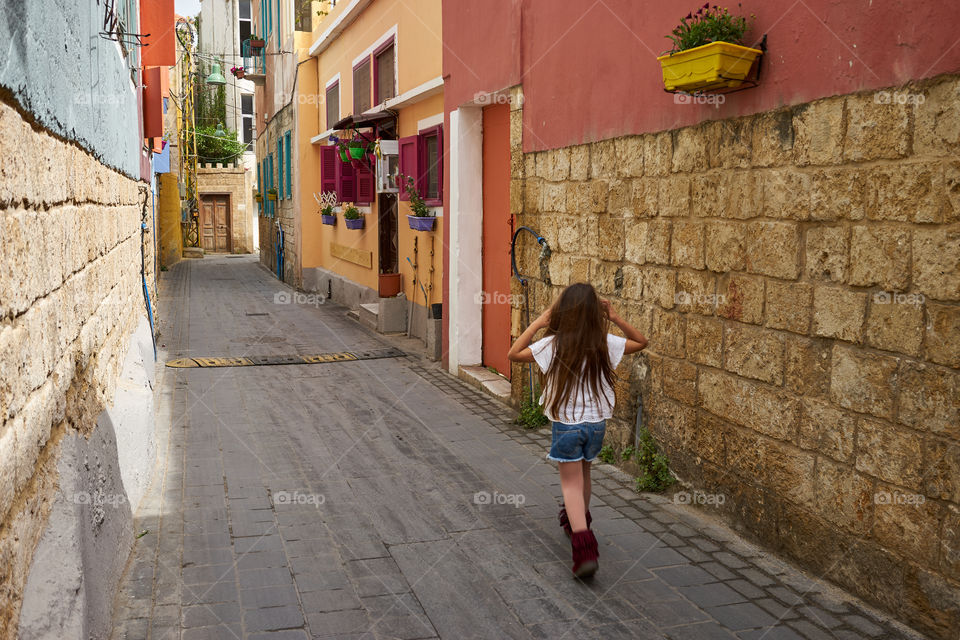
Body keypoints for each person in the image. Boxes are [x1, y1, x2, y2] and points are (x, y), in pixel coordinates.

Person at [508, 283, 647, 578]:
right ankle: (577, 522)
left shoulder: (552, 344)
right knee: (584, 474)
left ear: (562, 311)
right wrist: (615, 317)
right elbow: (640, 342)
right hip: (596, 425)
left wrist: (539, 322)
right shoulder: (603, 342)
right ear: (595, 313)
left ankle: (584, 549)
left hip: (567, 425)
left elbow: (514, 353)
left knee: (570, 485)